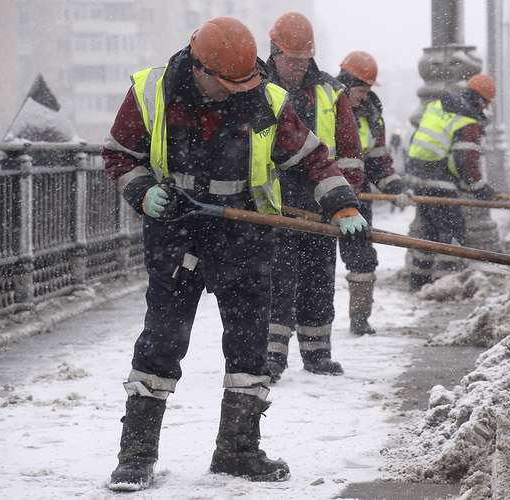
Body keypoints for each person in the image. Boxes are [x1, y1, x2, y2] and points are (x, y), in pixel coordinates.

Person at [101, 16, 364, 490]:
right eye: (226, 84)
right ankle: (136, 454)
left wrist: (342, 204)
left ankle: (238, 449)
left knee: (248, 342)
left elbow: (312, 158)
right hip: (175, 230)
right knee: (162, 339)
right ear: (199, 68)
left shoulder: (264, 98)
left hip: (244, 232)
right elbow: (119, 153)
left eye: (244, 83)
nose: (235, 93)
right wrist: (141, 192)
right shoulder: (152, 91)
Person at [263, 12, 368, 382]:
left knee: (318, 281)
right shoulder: (257, 89)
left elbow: (350, 153)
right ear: (274, 53)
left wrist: (345, 202)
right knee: (275, 281)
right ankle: (271, 356)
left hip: (321, 204)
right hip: (272, 206)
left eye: (302, 60)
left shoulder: (330, 92)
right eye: (290, 59)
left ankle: (317, 354)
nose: (296, 67)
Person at [336, 50, 410, 335]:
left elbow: (378, 160)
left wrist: (395, 187)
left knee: (363, 258)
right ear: (346, 83)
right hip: (320, 196)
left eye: (367, 90)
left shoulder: (371, 115)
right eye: (360, 89)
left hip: (357, 199)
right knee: (312, 266)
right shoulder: (327, 106)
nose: (364, 95)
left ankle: (359, 318)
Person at [406, 74, 498, 291]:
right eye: (486, 103)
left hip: (420, 178)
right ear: (481, 100)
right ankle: (445, 287)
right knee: (452, 233)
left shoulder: (440, 106)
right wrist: (479, 188)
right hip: (441, 182)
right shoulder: (467, 120)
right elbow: (465, 160)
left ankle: (419, 282)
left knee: (427, 236)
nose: (485, 109)